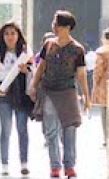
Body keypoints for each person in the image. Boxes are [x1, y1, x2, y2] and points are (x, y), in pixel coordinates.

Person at [29, 11, 91, 178]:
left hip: (68, 91)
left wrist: (86, 96)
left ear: (67, 27)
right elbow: (41, 67)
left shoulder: (77, 49)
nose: (54, 27)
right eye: (54, 24)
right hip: (49, 90)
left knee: (69, 129)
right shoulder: (48, 44)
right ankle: (55, 166)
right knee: (51, 130)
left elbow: (81, 73)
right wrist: (33, 86)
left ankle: (69, 165)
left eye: (57, 24)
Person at [0, 21, 34, 176]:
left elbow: (33, 69)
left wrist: (26, 69)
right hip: (4, 90)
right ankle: (4, 163)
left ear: (18, 35)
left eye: (13, 33)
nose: (10, 37)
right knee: (5, 128)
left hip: (20, 89)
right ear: (2, 36)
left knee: (22, 128)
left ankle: (24, 162)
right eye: (7, 33)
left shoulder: (24, 49)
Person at [91, 29, 109, 147]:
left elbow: (98, 70)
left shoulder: (101, 52)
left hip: (103, 85)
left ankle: (106, 138)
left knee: (104, 112)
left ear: (104, 39)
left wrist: (95, 82)